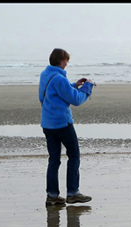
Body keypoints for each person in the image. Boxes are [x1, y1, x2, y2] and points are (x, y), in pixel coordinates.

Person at [39, 48, 94, 207]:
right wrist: (87, 88)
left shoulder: (45, 75)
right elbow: (76, 100)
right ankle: (72, 193)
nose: (67, 64)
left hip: (48, 124)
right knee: (74, 155)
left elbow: (52, 92)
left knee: (54, 160)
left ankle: (52, 195)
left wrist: (74, 85)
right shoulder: (59, 79)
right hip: (62, 123)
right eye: (66, 61)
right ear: (61, 61)